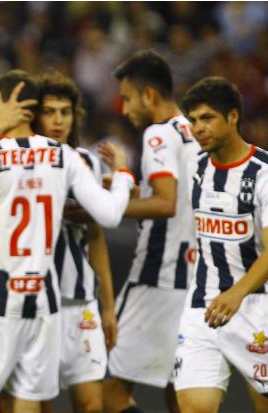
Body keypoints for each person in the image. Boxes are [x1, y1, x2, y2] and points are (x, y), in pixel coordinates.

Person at [0, 69, 136, 413]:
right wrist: (123, 176)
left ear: (0, 102)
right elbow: (110, 216)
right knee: (30, 403)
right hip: (46, 302)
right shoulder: (64, 156)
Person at [103, 50, 201, 413]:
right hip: (191, 277)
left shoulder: (158, 135)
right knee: (178, 392)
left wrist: (108, 206)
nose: (125, 109)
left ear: (149, 95)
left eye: (127, 98)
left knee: (107, 392)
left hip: (156, 276)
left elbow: (164, 203)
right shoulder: (192, 131)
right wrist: (119, 185)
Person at [175, 76, 268, 413]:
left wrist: (238, 293)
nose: (198, 128)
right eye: (193, 120)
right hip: (203, 304)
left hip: (259, 307)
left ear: (233, 117)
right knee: (194, 408)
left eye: (207, 118)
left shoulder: (266, 174)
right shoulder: (195, 163)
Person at [35, 70, 117, 413]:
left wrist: (108, 307)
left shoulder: (89, 164)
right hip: (37, 303)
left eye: (64, 112)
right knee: (38, 402)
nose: (58, 120)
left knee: (91, 404)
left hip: (81, 301)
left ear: (75, 116)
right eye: (50, 111)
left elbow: (96, 238)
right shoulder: (23, 162)